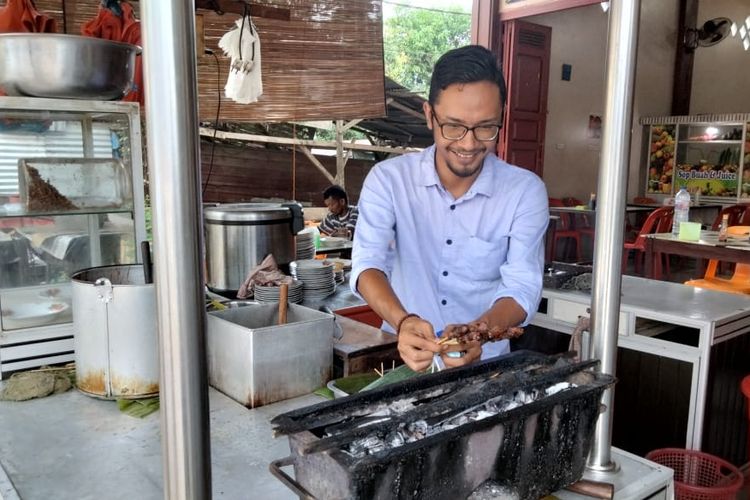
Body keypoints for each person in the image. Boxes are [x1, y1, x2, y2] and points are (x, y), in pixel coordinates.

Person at [350, 45, 549, 371]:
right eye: (453, 126)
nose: (469, 144)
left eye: (486, 127)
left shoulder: (524, 192)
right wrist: (404, 321)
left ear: (501, 118)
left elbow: (522, 287)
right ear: (430, 115)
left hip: (487, 367)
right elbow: (368, 264)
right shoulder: (388, 180)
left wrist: (479, 334)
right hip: (401, 360)